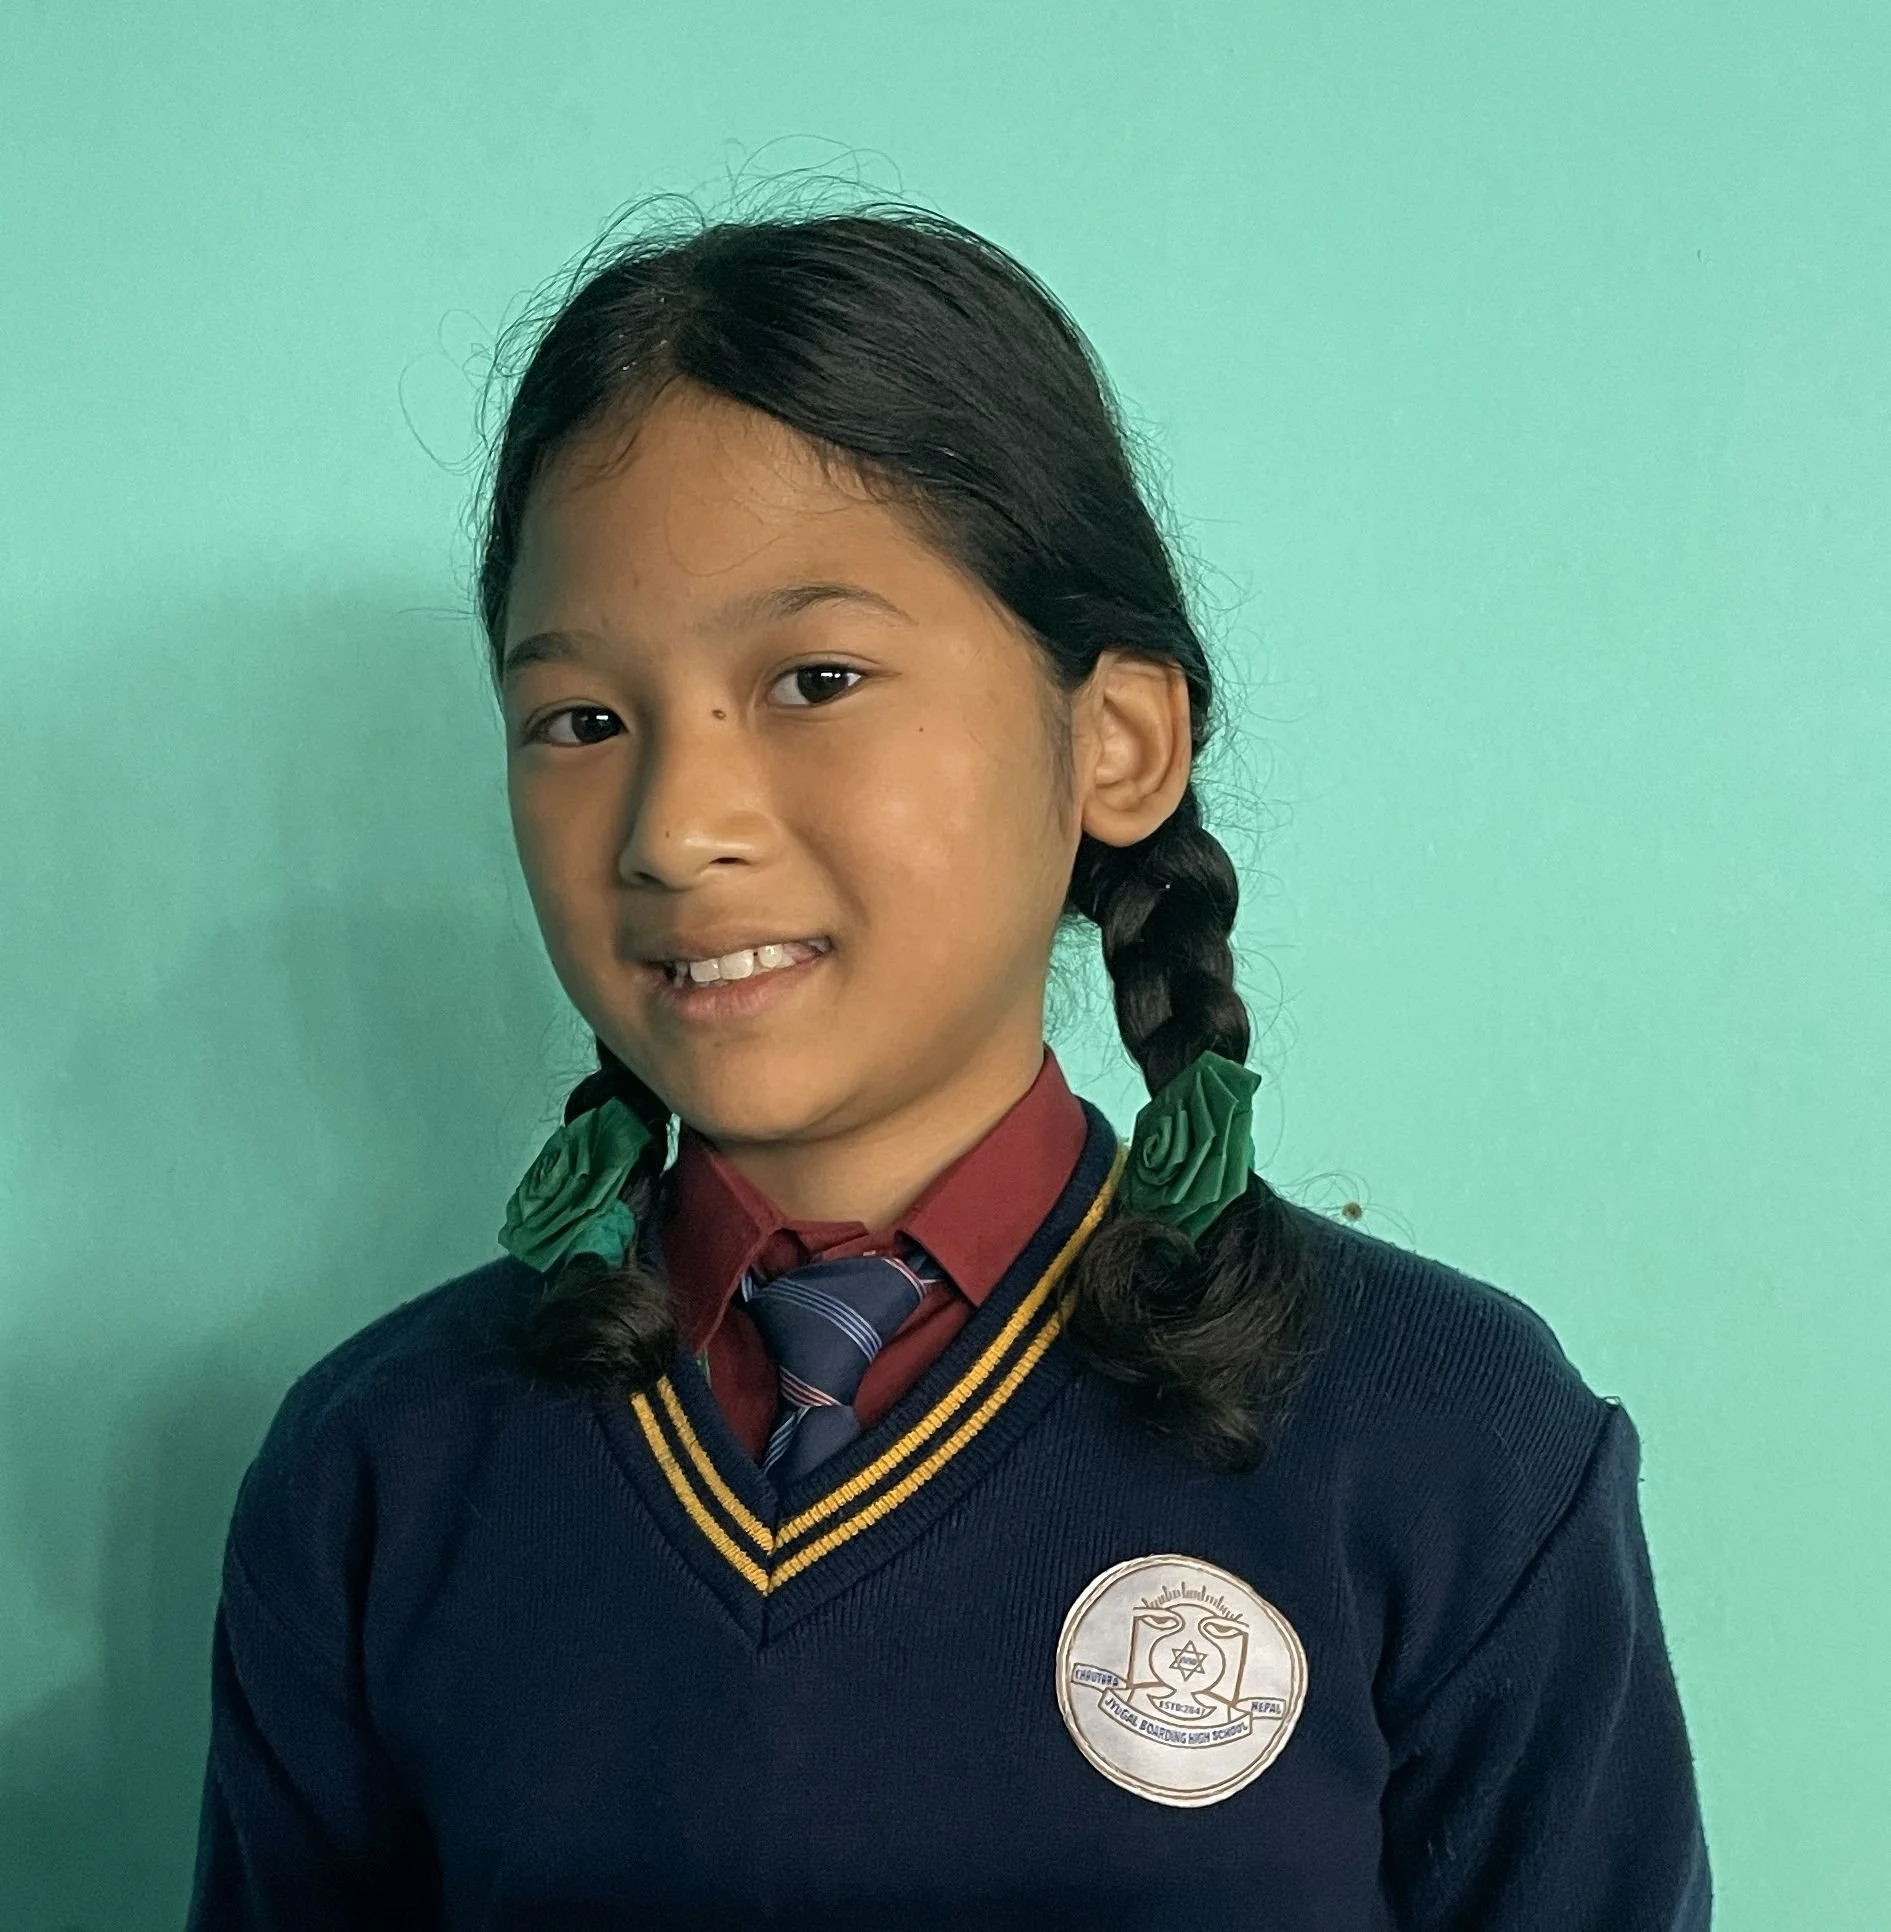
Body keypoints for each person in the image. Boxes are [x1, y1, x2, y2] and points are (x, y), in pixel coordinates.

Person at [184, 202, 1712, 1930]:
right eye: (581, 721)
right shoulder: (380, 1468)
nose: (674, 828)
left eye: (815, 678)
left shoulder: (1445, 1444)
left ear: (1115, 740)